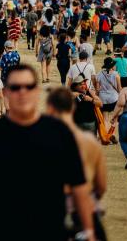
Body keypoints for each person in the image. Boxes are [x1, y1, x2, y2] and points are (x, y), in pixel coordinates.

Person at [0, 63, 95, 241]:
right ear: (6, 93)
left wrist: (89, 231)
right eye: (15, 87)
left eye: (28, 86)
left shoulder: (59, 133)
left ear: (37, 91)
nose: (22, 92)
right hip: (4, 233)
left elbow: (79, 186)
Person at [46, 87, 108, 240]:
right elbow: (101, 187)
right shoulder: (90, 143)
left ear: (50, 109)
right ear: (73, 107)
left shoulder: (42, 141)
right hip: (85, 210)